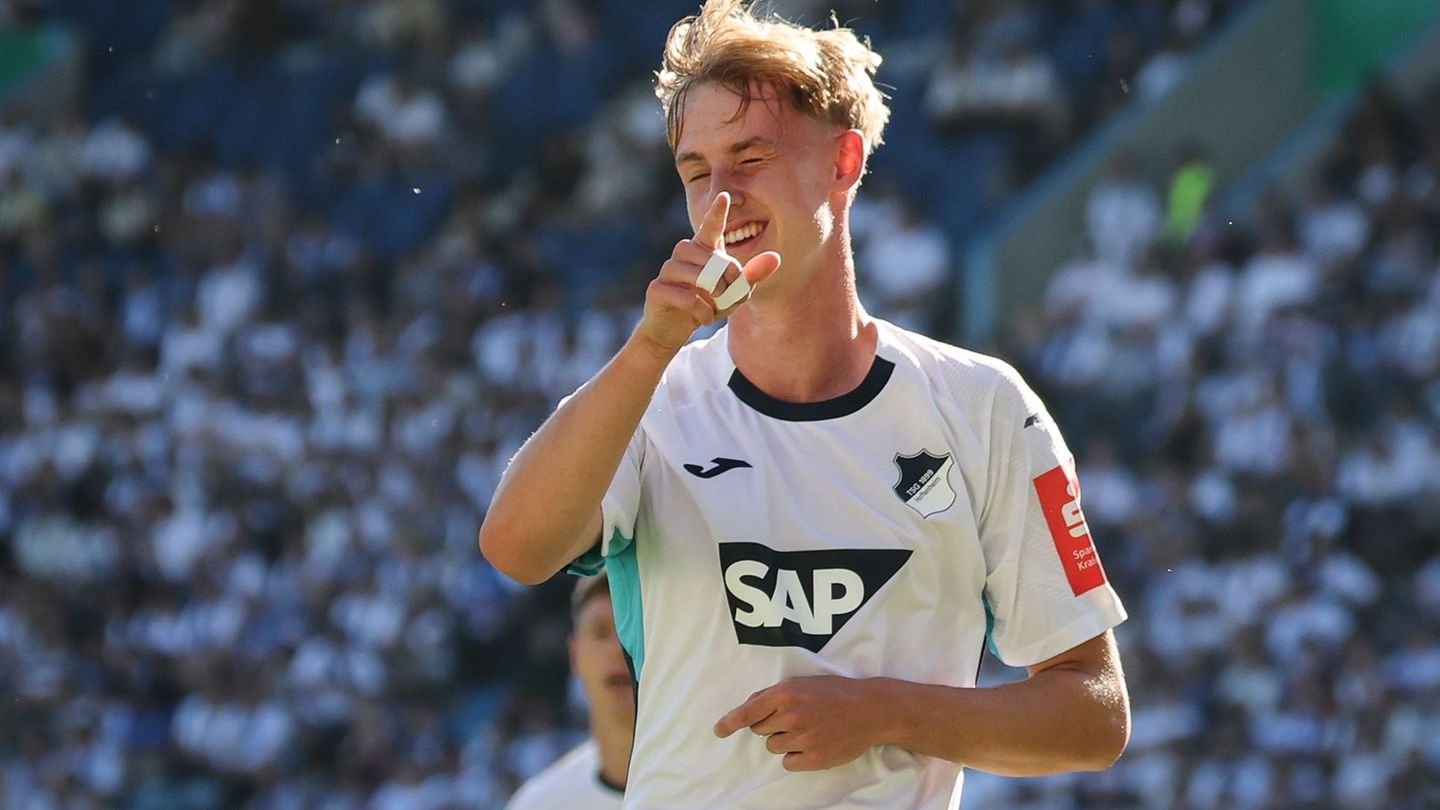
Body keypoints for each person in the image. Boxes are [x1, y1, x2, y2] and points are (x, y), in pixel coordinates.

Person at [479, 2, 1131, 807]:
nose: (722, 198)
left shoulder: (982, 406)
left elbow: (1094, 715)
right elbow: (514, 548)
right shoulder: (650, 400)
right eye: (695, 171)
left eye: (750, 157)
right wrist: (650, 349)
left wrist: (889, 711)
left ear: (844, 161)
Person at [505, 573, 630, 810]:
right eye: (601, 632)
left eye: (632, 630)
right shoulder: (538, 804)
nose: (618, 650)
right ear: (575, 655)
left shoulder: (717, 784)